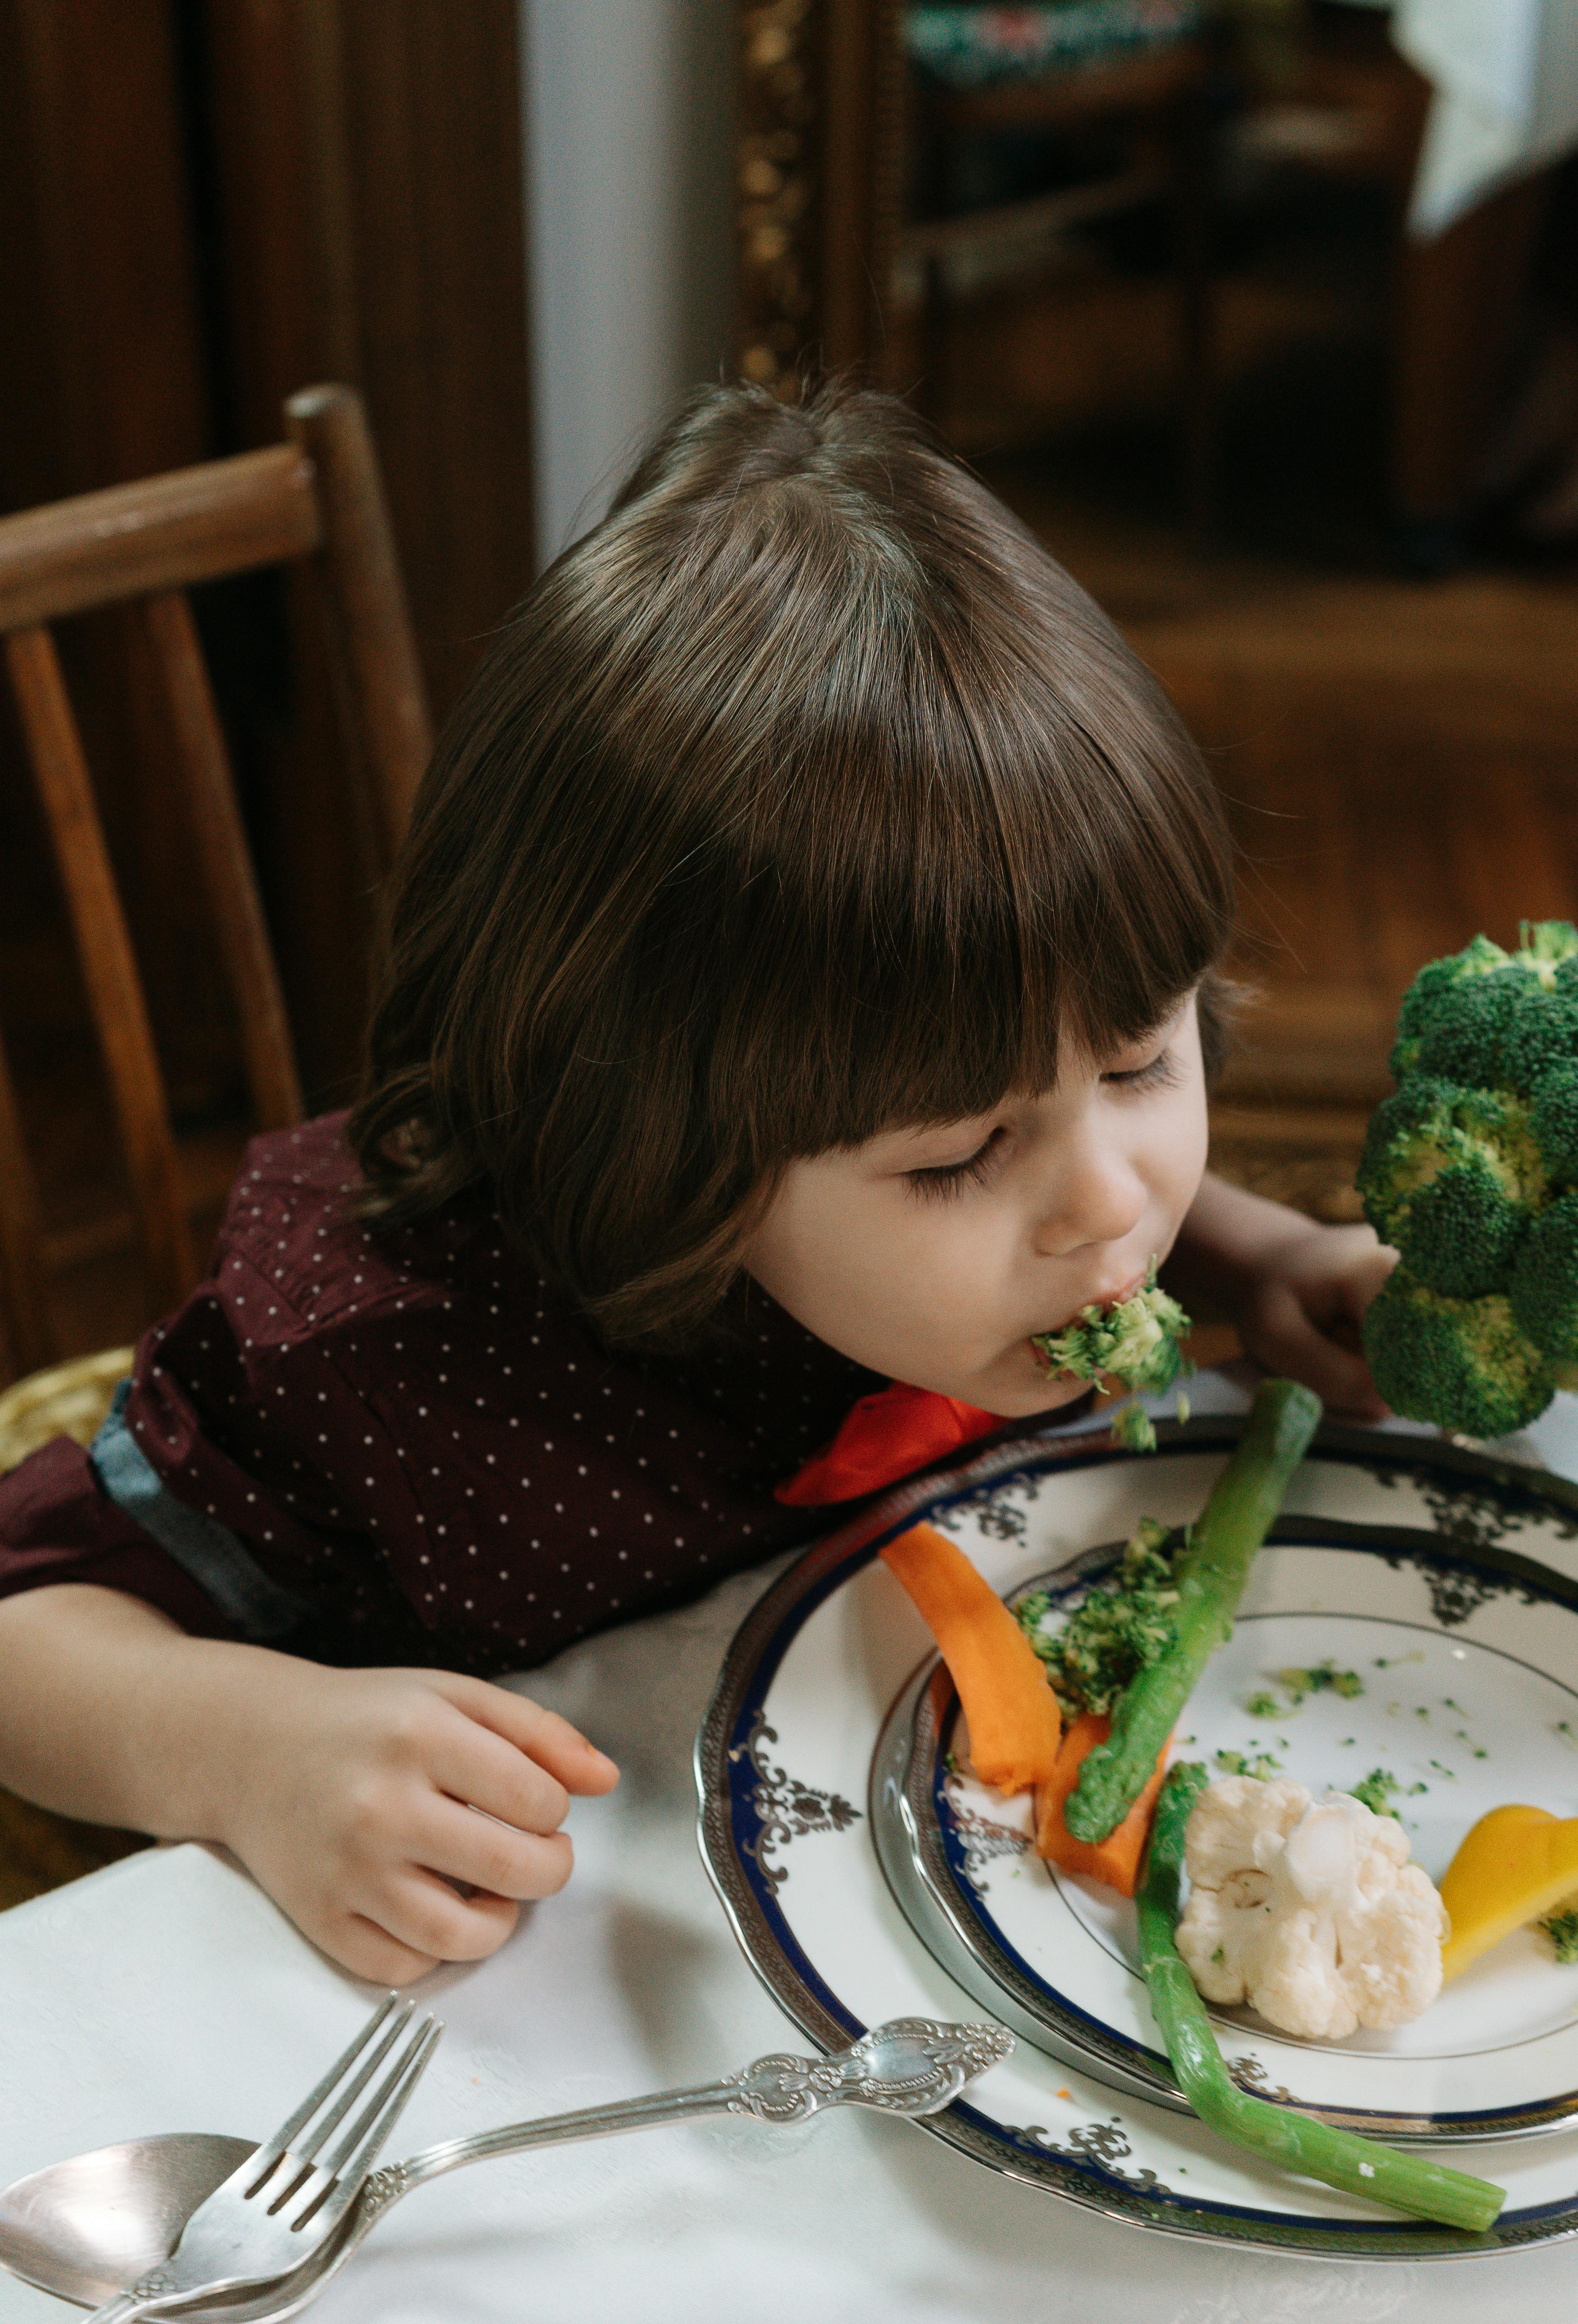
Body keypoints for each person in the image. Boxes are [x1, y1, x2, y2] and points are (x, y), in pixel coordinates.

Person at [0, 383, 1394, 1983]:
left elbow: (1075, 1155)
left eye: (1145, 1062)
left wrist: (1251, 1256)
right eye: (956, 1156)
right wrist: (235, 1743)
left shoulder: (1021, 1190)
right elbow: (19, 1609)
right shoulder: (392, 1368)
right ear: (667, 1149)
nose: (1108, 1205)